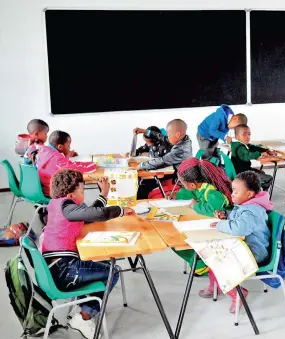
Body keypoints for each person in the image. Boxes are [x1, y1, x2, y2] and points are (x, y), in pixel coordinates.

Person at [40, 169, 135, 338]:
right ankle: (83, 317)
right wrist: (121, 209)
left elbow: (89, 214)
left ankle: (84, 304)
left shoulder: (58, 205)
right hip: (65, 270)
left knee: (106, 265)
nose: (84, 195)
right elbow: (99, 214)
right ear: (70, 195)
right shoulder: (67, 207)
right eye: (82, 192)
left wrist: (104, 194)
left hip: (57, 266)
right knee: (113, 271)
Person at [204, 171, 272, 313]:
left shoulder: (252, 211)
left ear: (249, 194)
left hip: (254, 252)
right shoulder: (246, 205)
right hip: (244, 246)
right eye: (232, 190)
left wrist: (219, 225)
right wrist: (226, 215)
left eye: (235, 191)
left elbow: (239, 227)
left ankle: (238, 293)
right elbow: (238, 218)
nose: (232, 194)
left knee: (219, 261)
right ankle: (215, 285)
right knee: (210, 254)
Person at [173, 157, 234, 275]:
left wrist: (196, 206)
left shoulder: (212, 193)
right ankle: (199, 262)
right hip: (212, 227)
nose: (180, 184)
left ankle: (204, 265)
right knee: (179, 240)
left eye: (181, 182)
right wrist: (177, 195)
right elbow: (191, 193)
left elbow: (213, 210)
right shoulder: (201, 185)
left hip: (225, 233)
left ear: (192, 184)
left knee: (180, 240)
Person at [135, 120, 193, 199]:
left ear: (177, 134)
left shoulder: (180, 150)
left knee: (146, 186)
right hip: (174, 173)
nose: (167, 137)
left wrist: (142, 165)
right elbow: (160, 136)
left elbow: (162, 160)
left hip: (179, 181)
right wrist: (144, 131)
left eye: (169, 135)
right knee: (146, 184)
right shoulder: (182, 139)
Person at [35, 131, 96, 197]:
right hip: (53, 191)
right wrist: (94, 164)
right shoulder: (57, 159)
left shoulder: (43, 150)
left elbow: (57, 165)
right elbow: (77, 168)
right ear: (60, 147)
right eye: (68, 146)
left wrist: (67, 155)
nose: (69, 148)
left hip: (44, 187)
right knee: (77, 185)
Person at [230, 124, 275, 191]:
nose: (247, 137)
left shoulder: (238, 144)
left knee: (262, 173)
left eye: (249, 134)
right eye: (244, 134)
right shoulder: (240, 147)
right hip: (243, 174)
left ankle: (255, 188)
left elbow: (252, 147)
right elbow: (247, 156)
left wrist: (265, 150)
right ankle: (261, 193)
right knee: (269, 178)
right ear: (236, 136)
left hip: (240, 171)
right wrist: (259, 154)